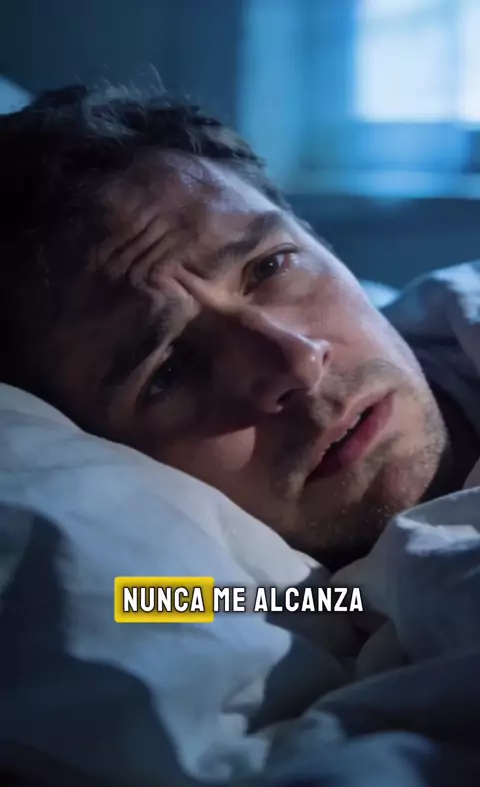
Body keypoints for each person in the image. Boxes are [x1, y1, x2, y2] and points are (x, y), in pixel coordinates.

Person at [0, 83, 478, 571]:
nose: (298, 362)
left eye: (271, 267)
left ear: (318, 240)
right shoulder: (197, 603)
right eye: (167, 372)